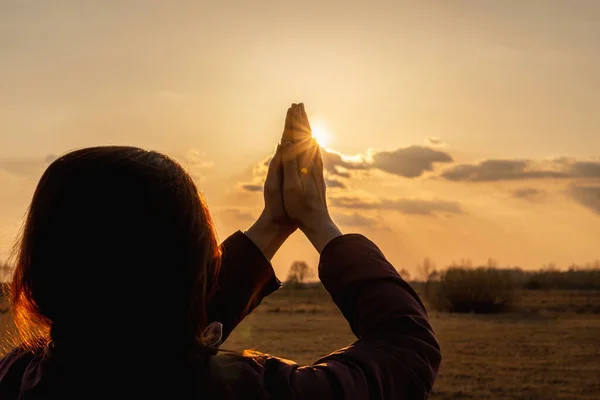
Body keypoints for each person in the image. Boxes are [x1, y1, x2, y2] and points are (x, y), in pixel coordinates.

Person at [0, 104, 441, 399]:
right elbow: (405, 348)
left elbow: (138, 330)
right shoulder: (253, 390)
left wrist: (273, 223)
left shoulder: (18, 375)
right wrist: (320, 223)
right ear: (197, 267)